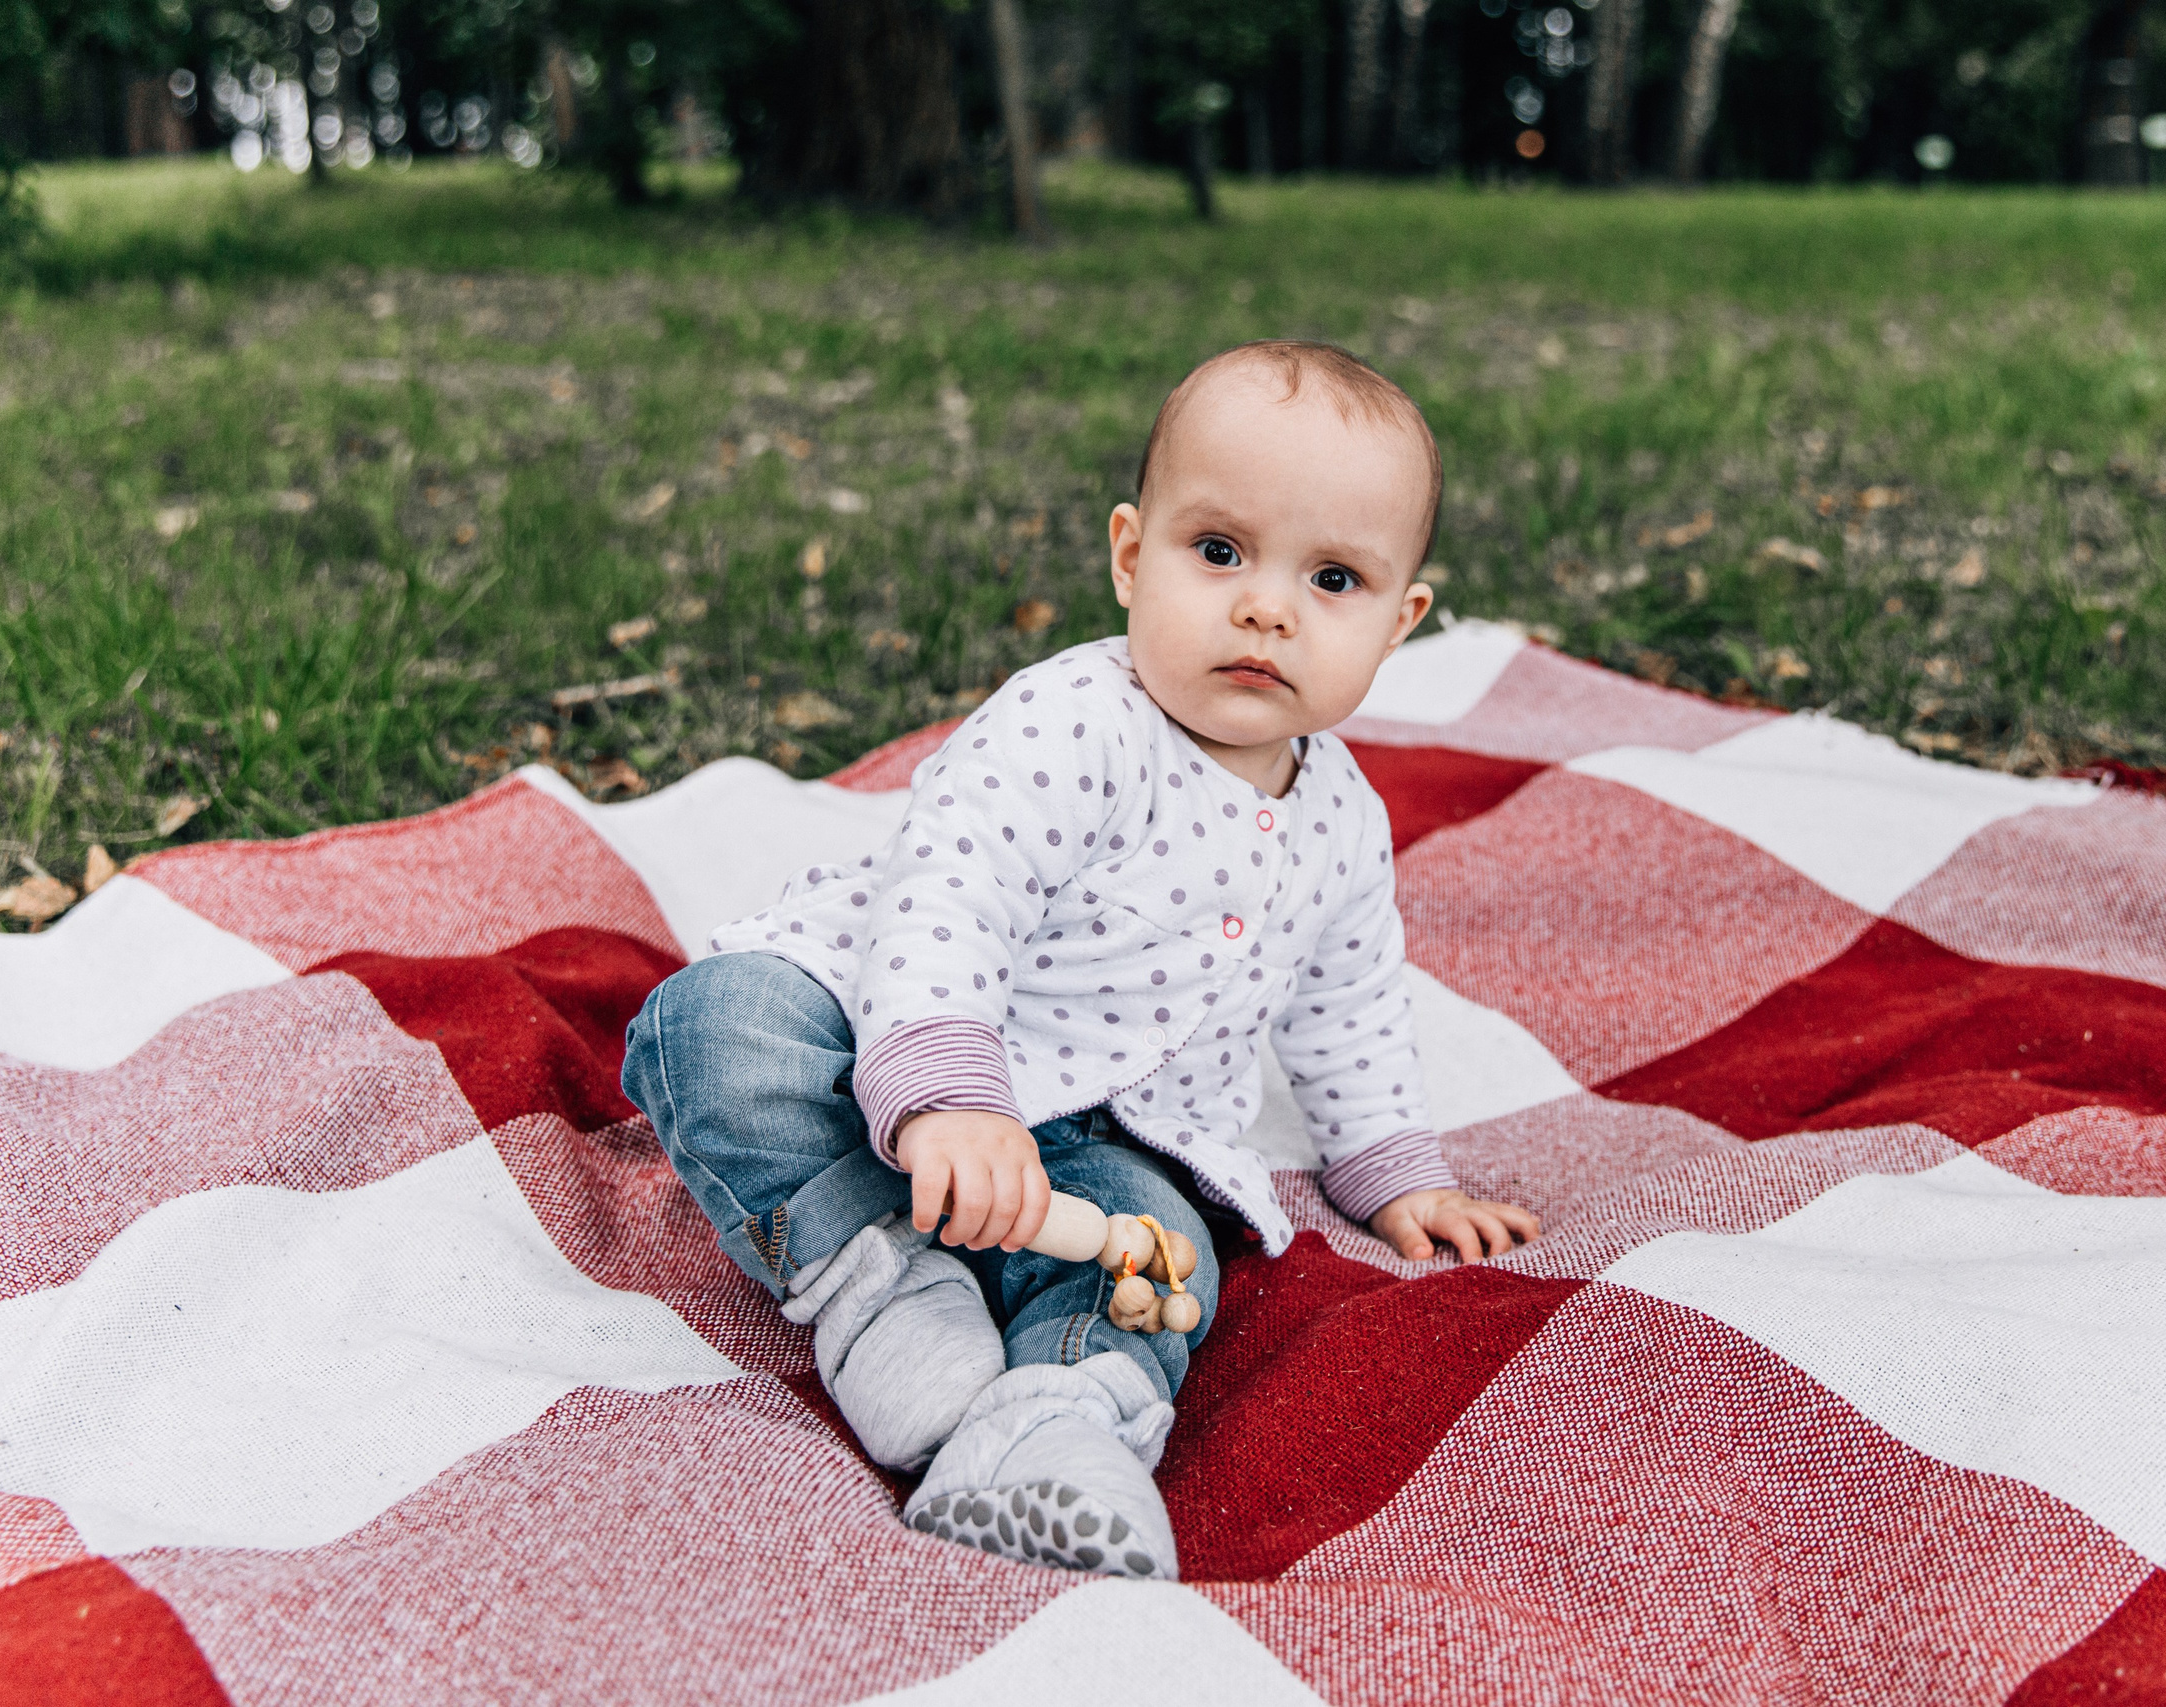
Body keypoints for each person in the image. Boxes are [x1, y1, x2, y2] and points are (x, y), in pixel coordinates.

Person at [623, 340, 1541, 1582]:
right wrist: (949, 1093)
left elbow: (1349, 1004)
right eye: (1217, 553)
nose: (1264, 606)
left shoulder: (1345, 823)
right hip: (894, 1034)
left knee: (1165, 1250)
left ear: (1399, 622)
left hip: (1113, 1134)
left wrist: (1392, 1171)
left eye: (1332, 578)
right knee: (713, 1027)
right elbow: (958, 888)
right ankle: (877, 1284)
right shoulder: (1075, 722)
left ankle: (1054, 1427)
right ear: (1128, 555)